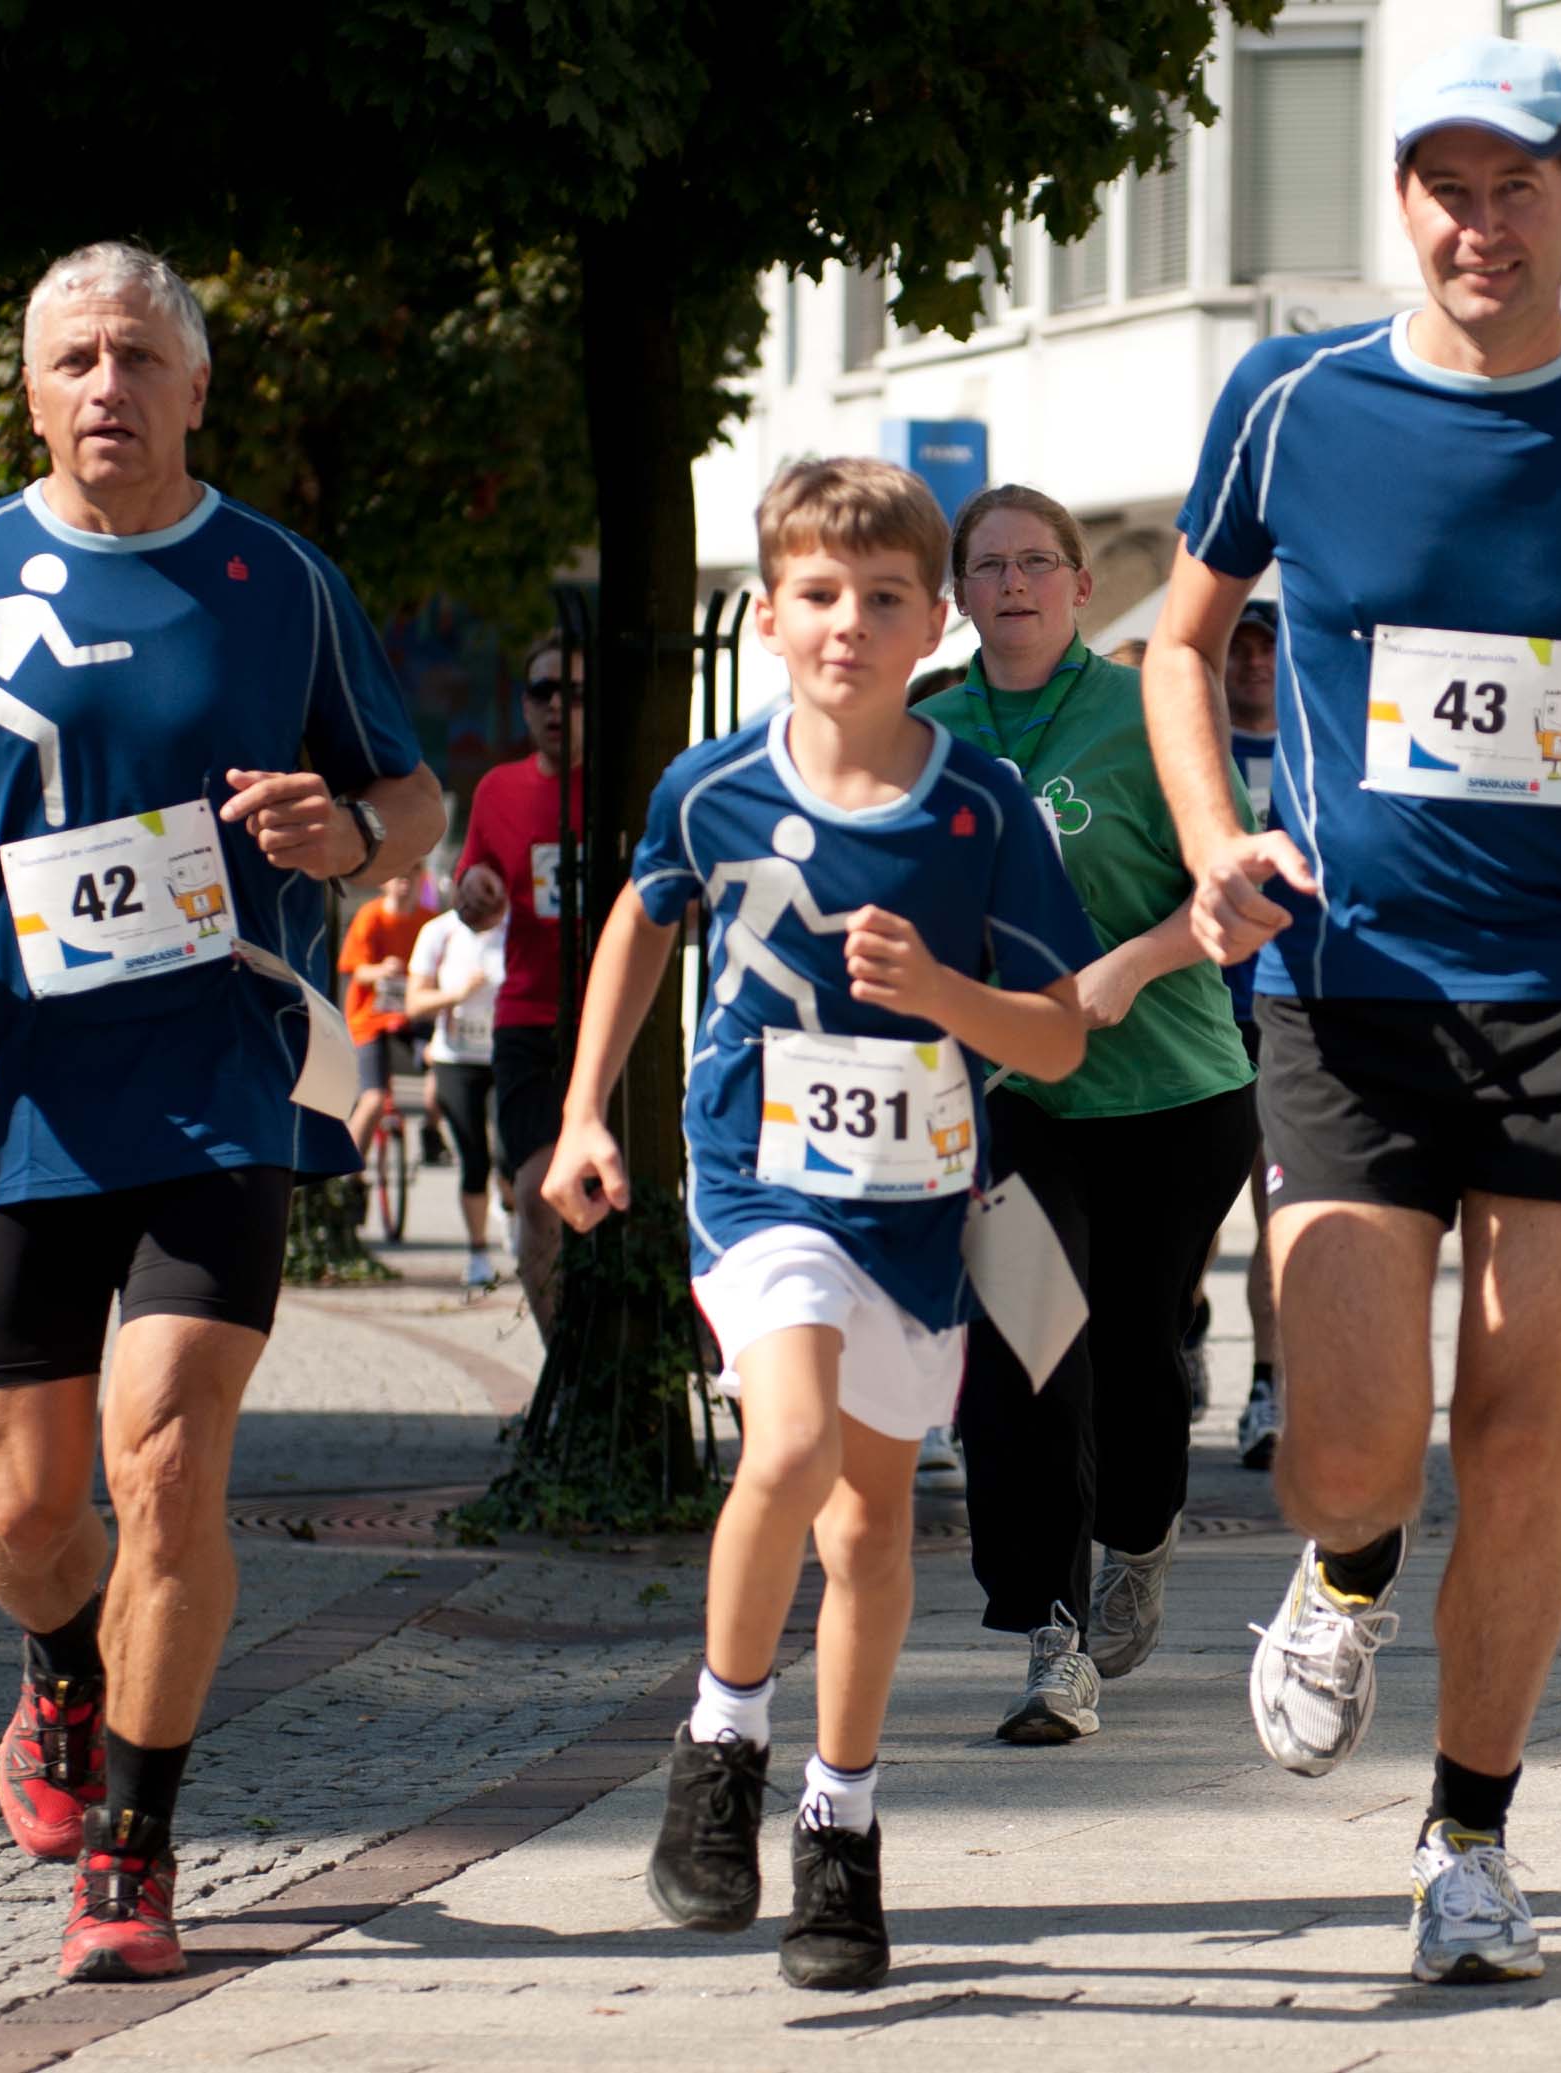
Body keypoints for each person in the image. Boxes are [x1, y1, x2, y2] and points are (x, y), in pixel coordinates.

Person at [1143, 39, 1561, 1986]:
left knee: (1523, 1435)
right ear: (1403, 204)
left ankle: (1468, 1840)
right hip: (1343, 983)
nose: (1481, 220)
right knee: (1351, 1450)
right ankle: (1347, 1562)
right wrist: (1212, 843)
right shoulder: (1293, 398)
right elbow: (1181, 645)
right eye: (1447, 186)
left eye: (1518, 183)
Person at [0, 241, 441, 1983]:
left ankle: (132, 1857)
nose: (109, 385)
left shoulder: (280, 580)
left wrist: (352, 837)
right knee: (20, 1518)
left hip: (222, 1080)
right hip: (13, 1097)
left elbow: (411, 790)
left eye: (141, 357)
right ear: (31, 392)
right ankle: (61, 1668)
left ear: (196, 389)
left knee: (164, 1460)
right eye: (77, 358)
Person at [546, 457, 1098, 1992]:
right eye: (815, 595)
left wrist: (943, 994)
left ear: (932, 623)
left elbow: (1056, 1034)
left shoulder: (980, 805)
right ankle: (719, 1739)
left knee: (865, 1527)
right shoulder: (710, 786)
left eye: (880, 597)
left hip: (913, 1205)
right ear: (768, 616)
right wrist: (585, 1111)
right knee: (783, 1447)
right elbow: (640, 919)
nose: (846, 621)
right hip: (757, 1180)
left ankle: (838, 1830)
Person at [914, 485, 1260, 1747]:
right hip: (1010, 1100)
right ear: (958, 594)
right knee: (1025, 1356)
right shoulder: (926, 734)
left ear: (1078, 583)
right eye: (988, 566)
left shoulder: (1145, 713)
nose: (1012, 584)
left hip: (1171, 1090)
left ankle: (1140, 1538)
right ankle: (1050, 1635)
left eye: (1035, 562)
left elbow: (1233, 897)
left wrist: (1130, 965)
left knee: (1130, 1355)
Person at [448, 633, 581, 1337]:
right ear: (526, 705)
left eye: (576, 693)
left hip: (619, 1016)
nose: (558, 706)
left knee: (610, 1194)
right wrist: (474, 891)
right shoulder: (498, 789)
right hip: (528, 1015)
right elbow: (472, 894)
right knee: (535, 1192)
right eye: (543, 691)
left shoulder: (633, 787)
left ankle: (609, 1350)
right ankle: (562, 1363)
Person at [1217, 600, 1287, 1468]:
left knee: (1281, 1212)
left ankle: (1269, 1385)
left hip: (1287, 1015)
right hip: (1202, 1012)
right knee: (1198, 1217)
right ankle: (1186, 1329)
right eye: (1239, 649)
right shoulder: (1195, 755)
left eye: (1268, 649)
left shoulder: (1315, 753)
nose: (1255, 663)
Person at [405, 887, 508, 1289]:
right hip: (455, 1059)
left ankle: (514, 1216)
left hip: (506, 1056)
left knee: (511, 1155)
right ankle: (478, 1253)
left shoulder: (515, 927)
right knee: (474, 1159)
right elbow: (415, 1004)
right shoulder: (438, 932)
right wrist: (456, 994)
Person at [339, 871, 429, 1168]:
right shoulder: (370, 917)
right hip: (370, 1018)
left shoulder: (428, 921)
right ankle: (349, 1173)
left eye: (412, 874)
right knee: (374, 1099)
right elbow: (356, 970)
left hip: (413, 1015)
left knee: (441, 1072)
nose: (405, 882)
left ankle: (432, 1133)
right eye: (399, 875)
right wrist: (382, 970)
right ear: (384, 880)